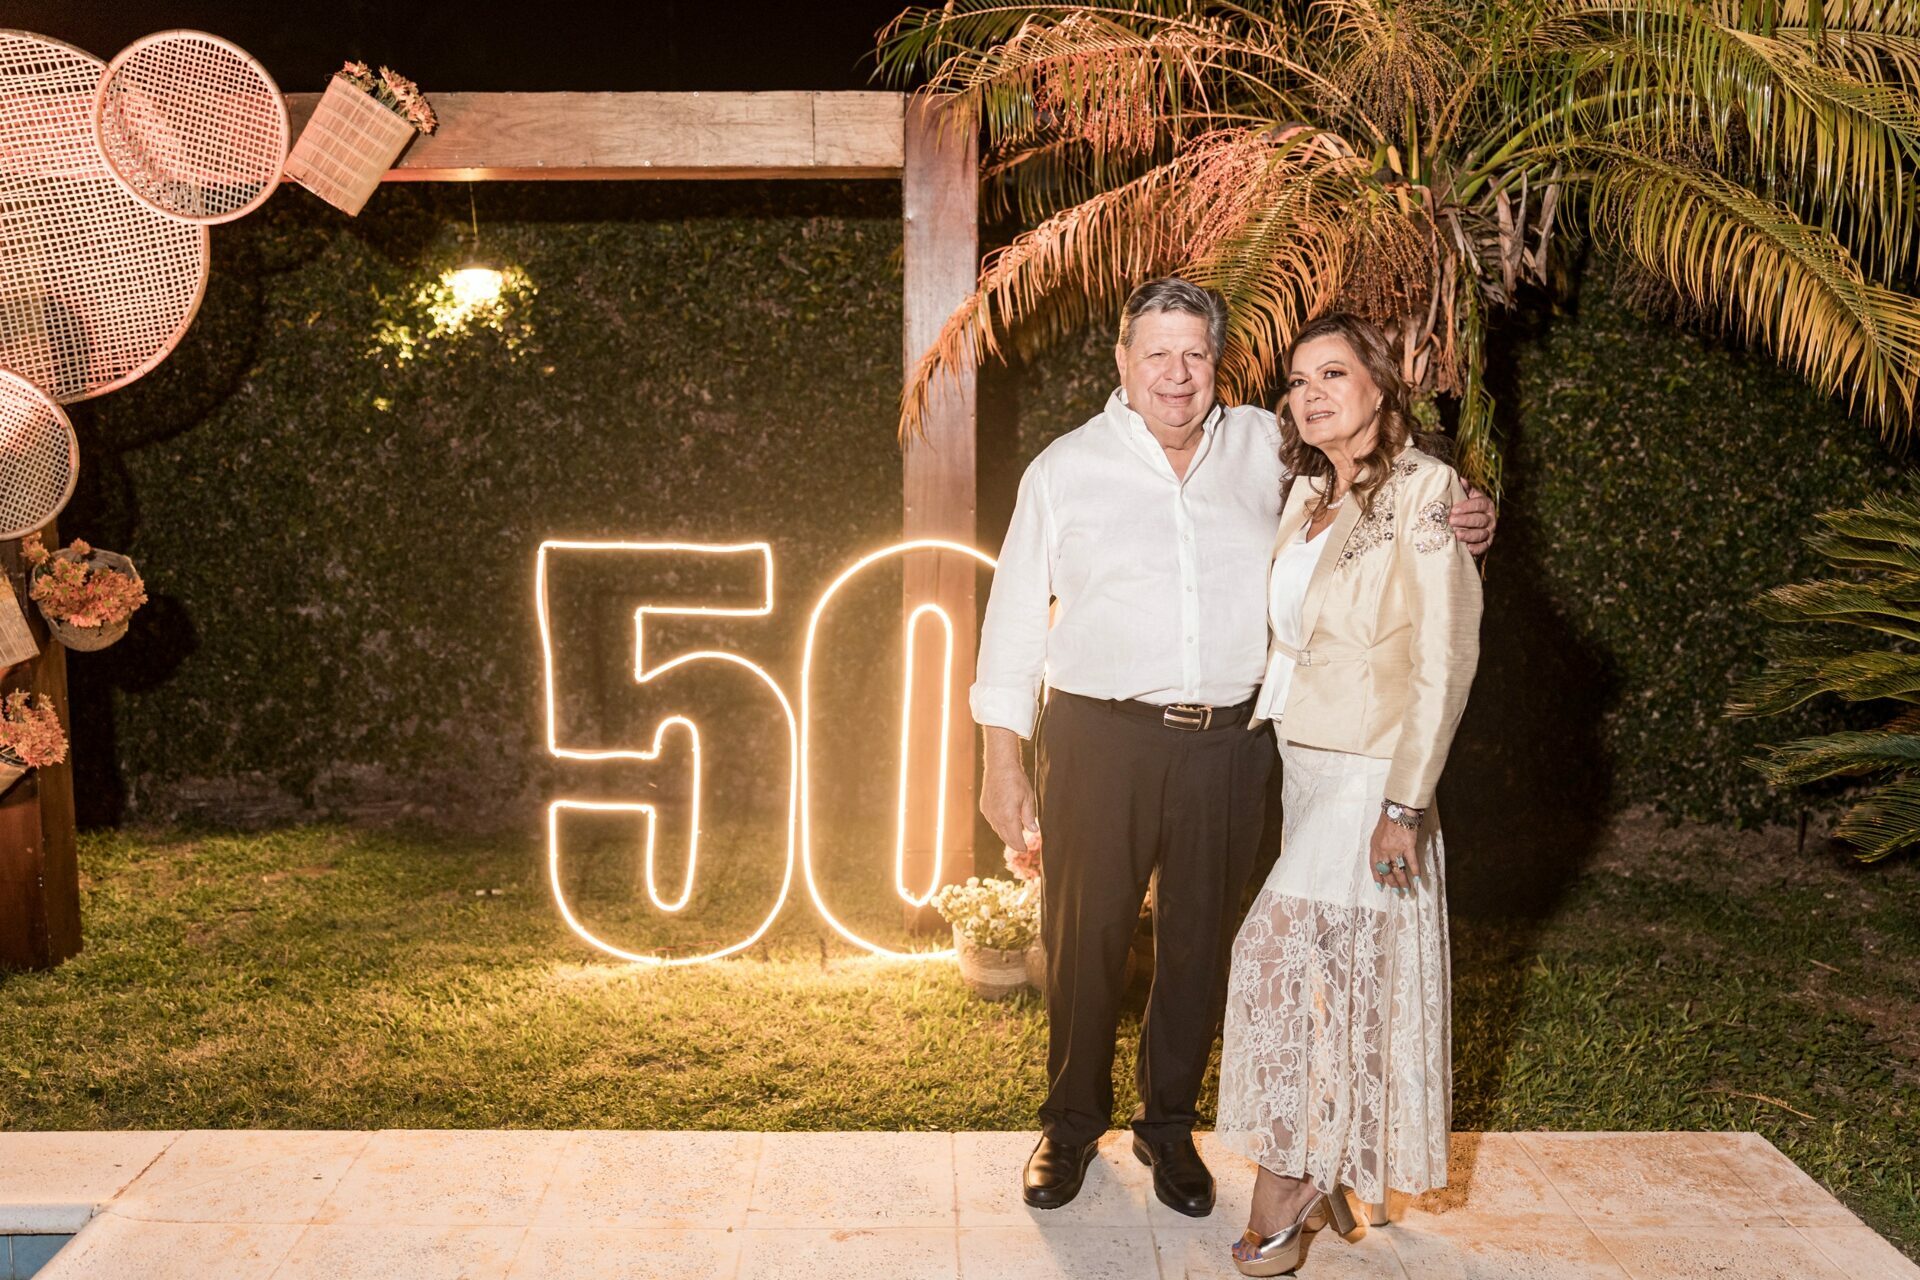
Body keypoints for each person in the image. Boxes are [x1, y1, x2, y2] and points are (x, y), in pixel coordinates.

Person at [970, 279, 1493, 1216]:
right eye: (1157, 354)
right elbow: (1011, 621)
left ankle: (1169, 1127)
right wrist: (1001, 758)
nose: (1177, 374)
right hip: (1097, 735)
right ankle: (1071, 1124)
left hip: (1232, 744)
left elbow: (1372, 498)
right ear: (1122, 362)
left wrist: (1467, 515)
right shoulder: (1064, 469)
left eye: (1196, 354)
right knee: (1085, 938)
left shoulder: (1269, 446)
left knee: (1202, 942)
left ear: (1219, 364)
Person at [1216, 312, 1482, 1275]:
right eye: (1298, 381)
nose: (1311, 393)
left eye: (1333, 373)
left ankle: (1288, 1179)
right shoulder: (1306, 494)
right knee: (1335, 977)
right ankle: (1328, 1161)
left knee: (1272, 955)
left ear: (1380, 385)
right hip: (1304, 757)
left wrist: (1405, 806)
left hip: (1375, 770)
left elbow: (1446, 657)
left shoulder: (1428, 491)